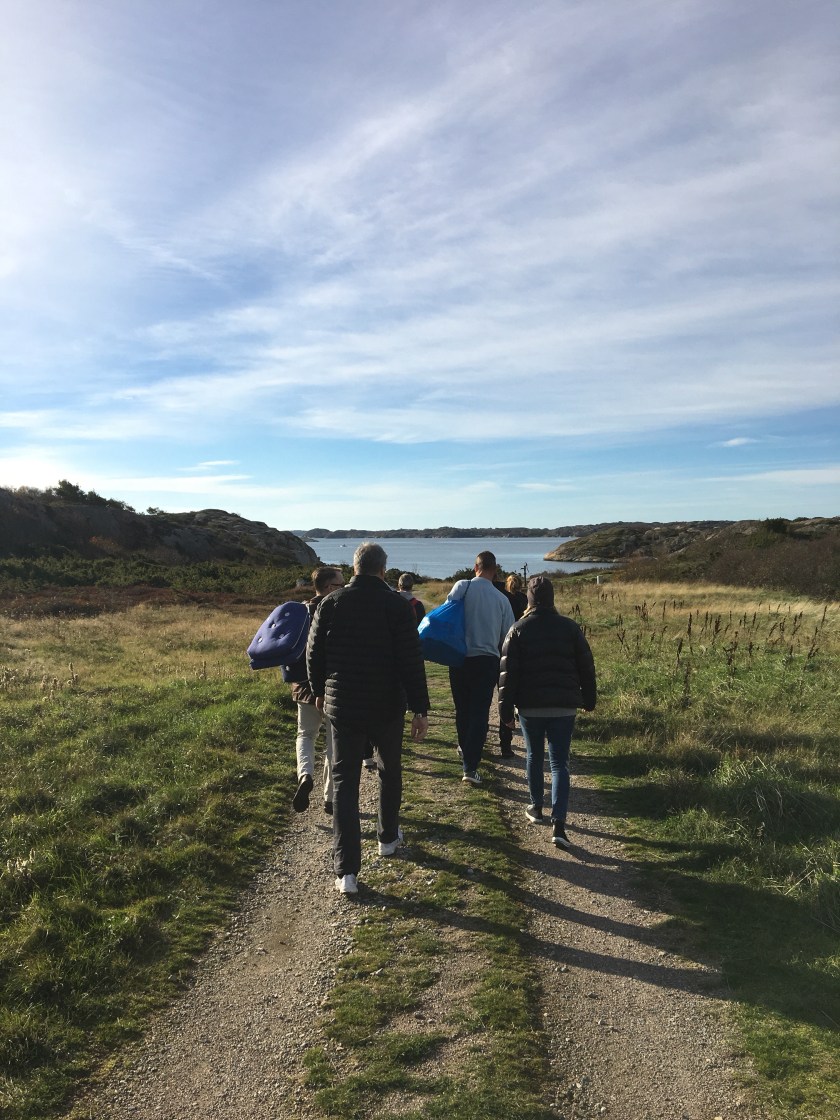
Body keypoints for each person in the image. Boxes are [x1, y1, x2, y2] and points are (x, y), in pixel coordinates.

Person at [307, 542, 430, 894]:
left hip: (343, 705)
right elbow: (411, 659)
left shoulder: (331, 602)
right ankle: (387, 838)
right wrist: (419, 709)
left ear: (355, 567)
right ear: (383, 569)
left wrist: (319, 690)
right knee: (389, 770)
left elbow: (314, 652)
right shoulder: (397, 605)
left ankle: (346, 871)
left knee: (345, 782)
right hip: (387, 705)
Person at [498, 576, 596, 849]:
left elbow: (507, 675)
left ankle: (536, 806)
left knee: (534, 756)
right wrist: (589, 700)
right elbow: (586, 667)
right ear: (552, 598)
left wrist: (505, 712)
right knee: (560, 763)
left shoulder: (518, 629)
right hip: (564, 706)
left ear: (529, 599)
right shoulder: (570, 628)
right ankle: (559, 823)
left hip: (530, 706)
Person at [445, 551, 515, 785]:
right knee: (479, 712)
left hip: (459, 657)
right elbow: (507, 638)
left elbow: (448, 613)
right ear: (495, 571)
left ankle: (464, 747)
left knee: (462, 709)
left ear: (475, 567)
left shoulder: (461, 587)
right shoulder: (502, 600)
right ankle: (470, 766)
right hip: (486, 660)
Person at [287, 567, 345, 815]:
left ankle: (305, 775)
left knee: (306, 735)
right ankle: (330, 798)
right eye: (341, 584)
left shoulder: (301, 612)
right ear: (329, 587)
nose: (344, 588)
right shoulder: (339, 612)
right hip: (333, 687)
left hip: (303, 687)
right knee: (333, 742)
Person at [496, 573, 528, 757]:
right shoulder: (523, 599)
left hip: (499, 648)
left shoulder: (501, 598)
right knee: (511, 691)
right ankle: (506, 745)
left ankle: (492, 739)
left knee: (499, 694)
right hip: (519, 649)